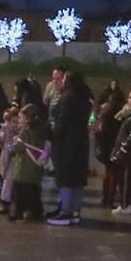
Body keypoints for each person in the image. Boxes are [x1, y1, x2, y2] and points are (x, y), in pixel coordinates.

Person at [47, 71, 93, 225]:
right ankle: (74, 212)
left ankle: (65, 212)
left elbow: (62, 123)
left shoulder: (68, 97)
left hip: (67, 145)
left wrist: (52, 133)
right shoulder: (85, 97)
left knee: (65, 180)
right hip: (81, 142)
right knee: (77, 181)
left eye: (65, 79)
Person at [8, 102, 50, 222]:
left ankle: (18, 214)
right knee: (34, 194)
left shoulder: (25, 133)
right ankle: (37, 213)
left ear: (27, 119)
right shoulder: (41, 131)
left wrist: (11, 142)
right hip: (36, 171)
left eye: (21, 117)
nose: (19, 120)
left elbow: (16, 148)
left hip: (23, 171)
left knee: (19, 195)